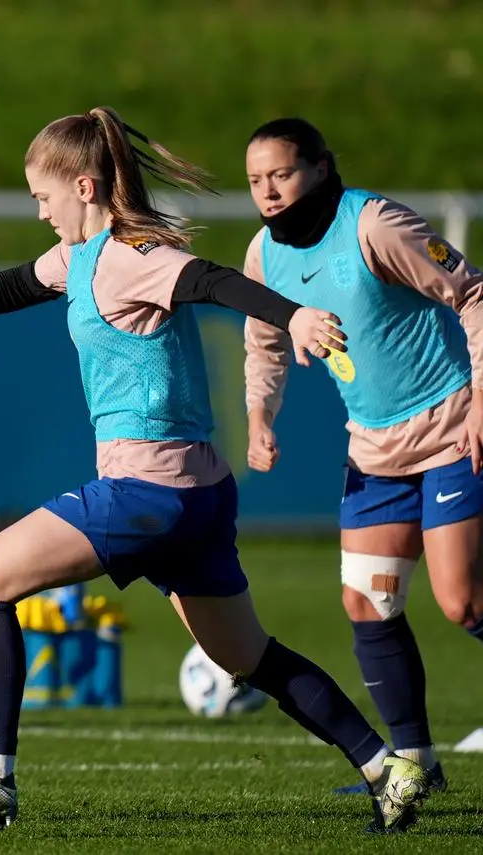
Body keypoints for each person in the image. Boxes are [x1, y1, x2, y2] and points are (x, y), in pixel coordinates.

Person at [0, 107, 429, 834]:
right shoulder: (79, 257)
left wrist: (293, 315)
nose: (39, 211)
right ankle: (381, 765)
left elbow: (209, 281)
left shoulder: (128, 254)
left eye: (42, 197)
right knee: (246, 654)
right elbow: (18, 283)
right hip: (197, 499)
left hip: (146, 492)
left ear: (82, 186)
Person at [242, 117, 483, 796]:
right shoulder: (264, 252)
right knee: (365, 602)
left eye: (280, 174)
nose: (267, 191)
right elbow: (263, 341)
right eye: (255, 180)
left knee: (461, 601)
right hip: (372, 448)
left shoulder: (373, 223)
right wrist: (260, 415)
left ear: (319, 168)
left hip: (449, 428)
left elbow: (473, 293)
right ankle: (416, 764)